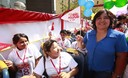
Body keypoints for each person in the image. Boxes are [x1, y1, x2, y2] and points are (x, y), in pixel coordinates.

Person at [76, 9, 128, 78]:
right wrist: (80, 42)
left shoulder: (119, 36)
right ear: (95, 21)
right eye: (99, 18)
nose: (102, 20)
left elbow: (122, 57)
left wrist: (116, 74)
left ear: (110, 20)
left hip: (105, 74)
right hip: (87, 70)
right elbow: (83, 47)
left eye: (105, 18)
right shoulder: (89, 34)